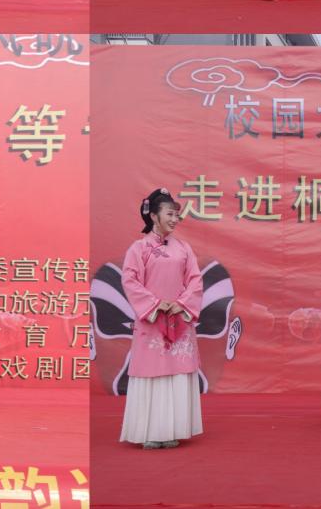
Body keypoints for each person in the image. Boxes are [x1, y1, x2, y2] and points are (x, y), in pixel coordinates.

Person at [120, 188, 203, 449]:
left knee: (176, 373)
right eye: (170, 214)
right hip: (152, 319)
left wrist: (181, 304)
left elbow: (195, 280)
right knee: (152, 373)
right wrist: (155, 304)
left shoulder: (184, 248)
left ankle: (173, 429)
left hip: (178, 319)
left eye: (177, 215)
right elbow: (130, 280)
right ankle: (149, 432)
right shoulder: (138, 248)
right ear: (154, 216)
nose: (175, 219)